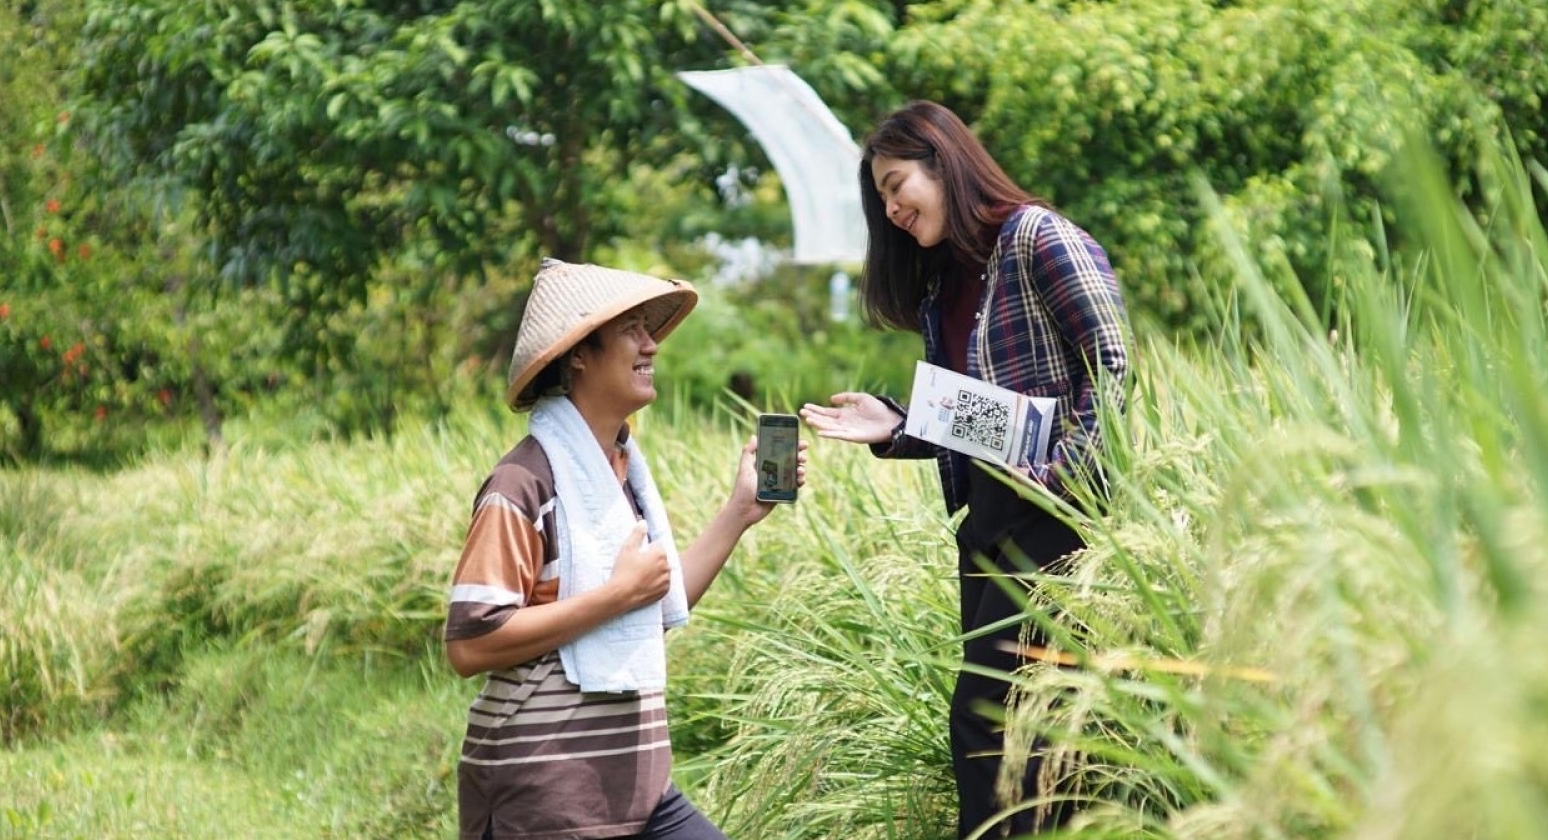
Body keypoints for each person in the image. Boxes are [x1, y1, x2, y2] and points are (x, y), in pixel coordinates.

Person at [800, 100, 1131, 838]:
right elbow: (984, 421)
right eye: (882, 199)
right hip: (987, 522)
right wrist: (899, 425)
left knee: (989, 721)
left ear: (943, 163)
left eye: (896, 186)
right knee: (1019, 728)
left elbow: (1112, 366)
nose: (891, 210)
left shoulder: (1038, 238)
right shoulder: (943, 287)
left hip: (1058, 518)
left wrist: (1063, 478)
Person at [444, 258, 807, 840]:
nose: (651, 345)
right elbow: (469, 644)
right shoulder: (523, 483)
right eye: (632, 330)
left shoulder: (620, 475)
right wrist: (615, 596)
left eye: (650, 330)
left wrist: (739, 512)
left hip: (636, 788)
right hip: (546, 794)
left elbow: (650, 603)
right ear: (579, 354)